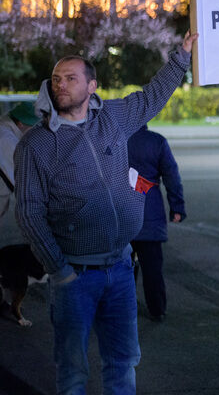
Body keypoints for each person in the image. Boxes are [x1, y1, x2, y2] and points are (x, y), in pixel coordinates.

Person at [14, 31, 197, 394]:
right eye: (55, 79)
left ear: (92, 85)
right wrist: (60, 271)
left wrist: (182, 56)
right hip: (74, 277)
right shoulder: (36, 144)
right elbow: (30, 213)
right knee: (72, 369)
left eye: (70, 78)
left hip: (121, 267)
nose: (60, 85)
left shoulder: (113, 117)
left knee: (123, 361)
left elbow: (152, 96)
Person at [128, 124, 186, 322]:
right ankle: (157, 309)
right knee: (152, 268)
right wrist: (177, 207)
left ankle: (123, 306)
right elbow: (172, 176)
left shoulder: (113, 139)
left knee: (121, 266)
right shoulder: (157, 141)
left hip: (120, 214)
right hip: (149, 211)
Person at [0, 102, 44, 327]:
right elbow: (20, 180)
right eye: (32, 126)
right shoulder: (6, 139)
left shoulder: (7, 129)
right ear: (21, 123)